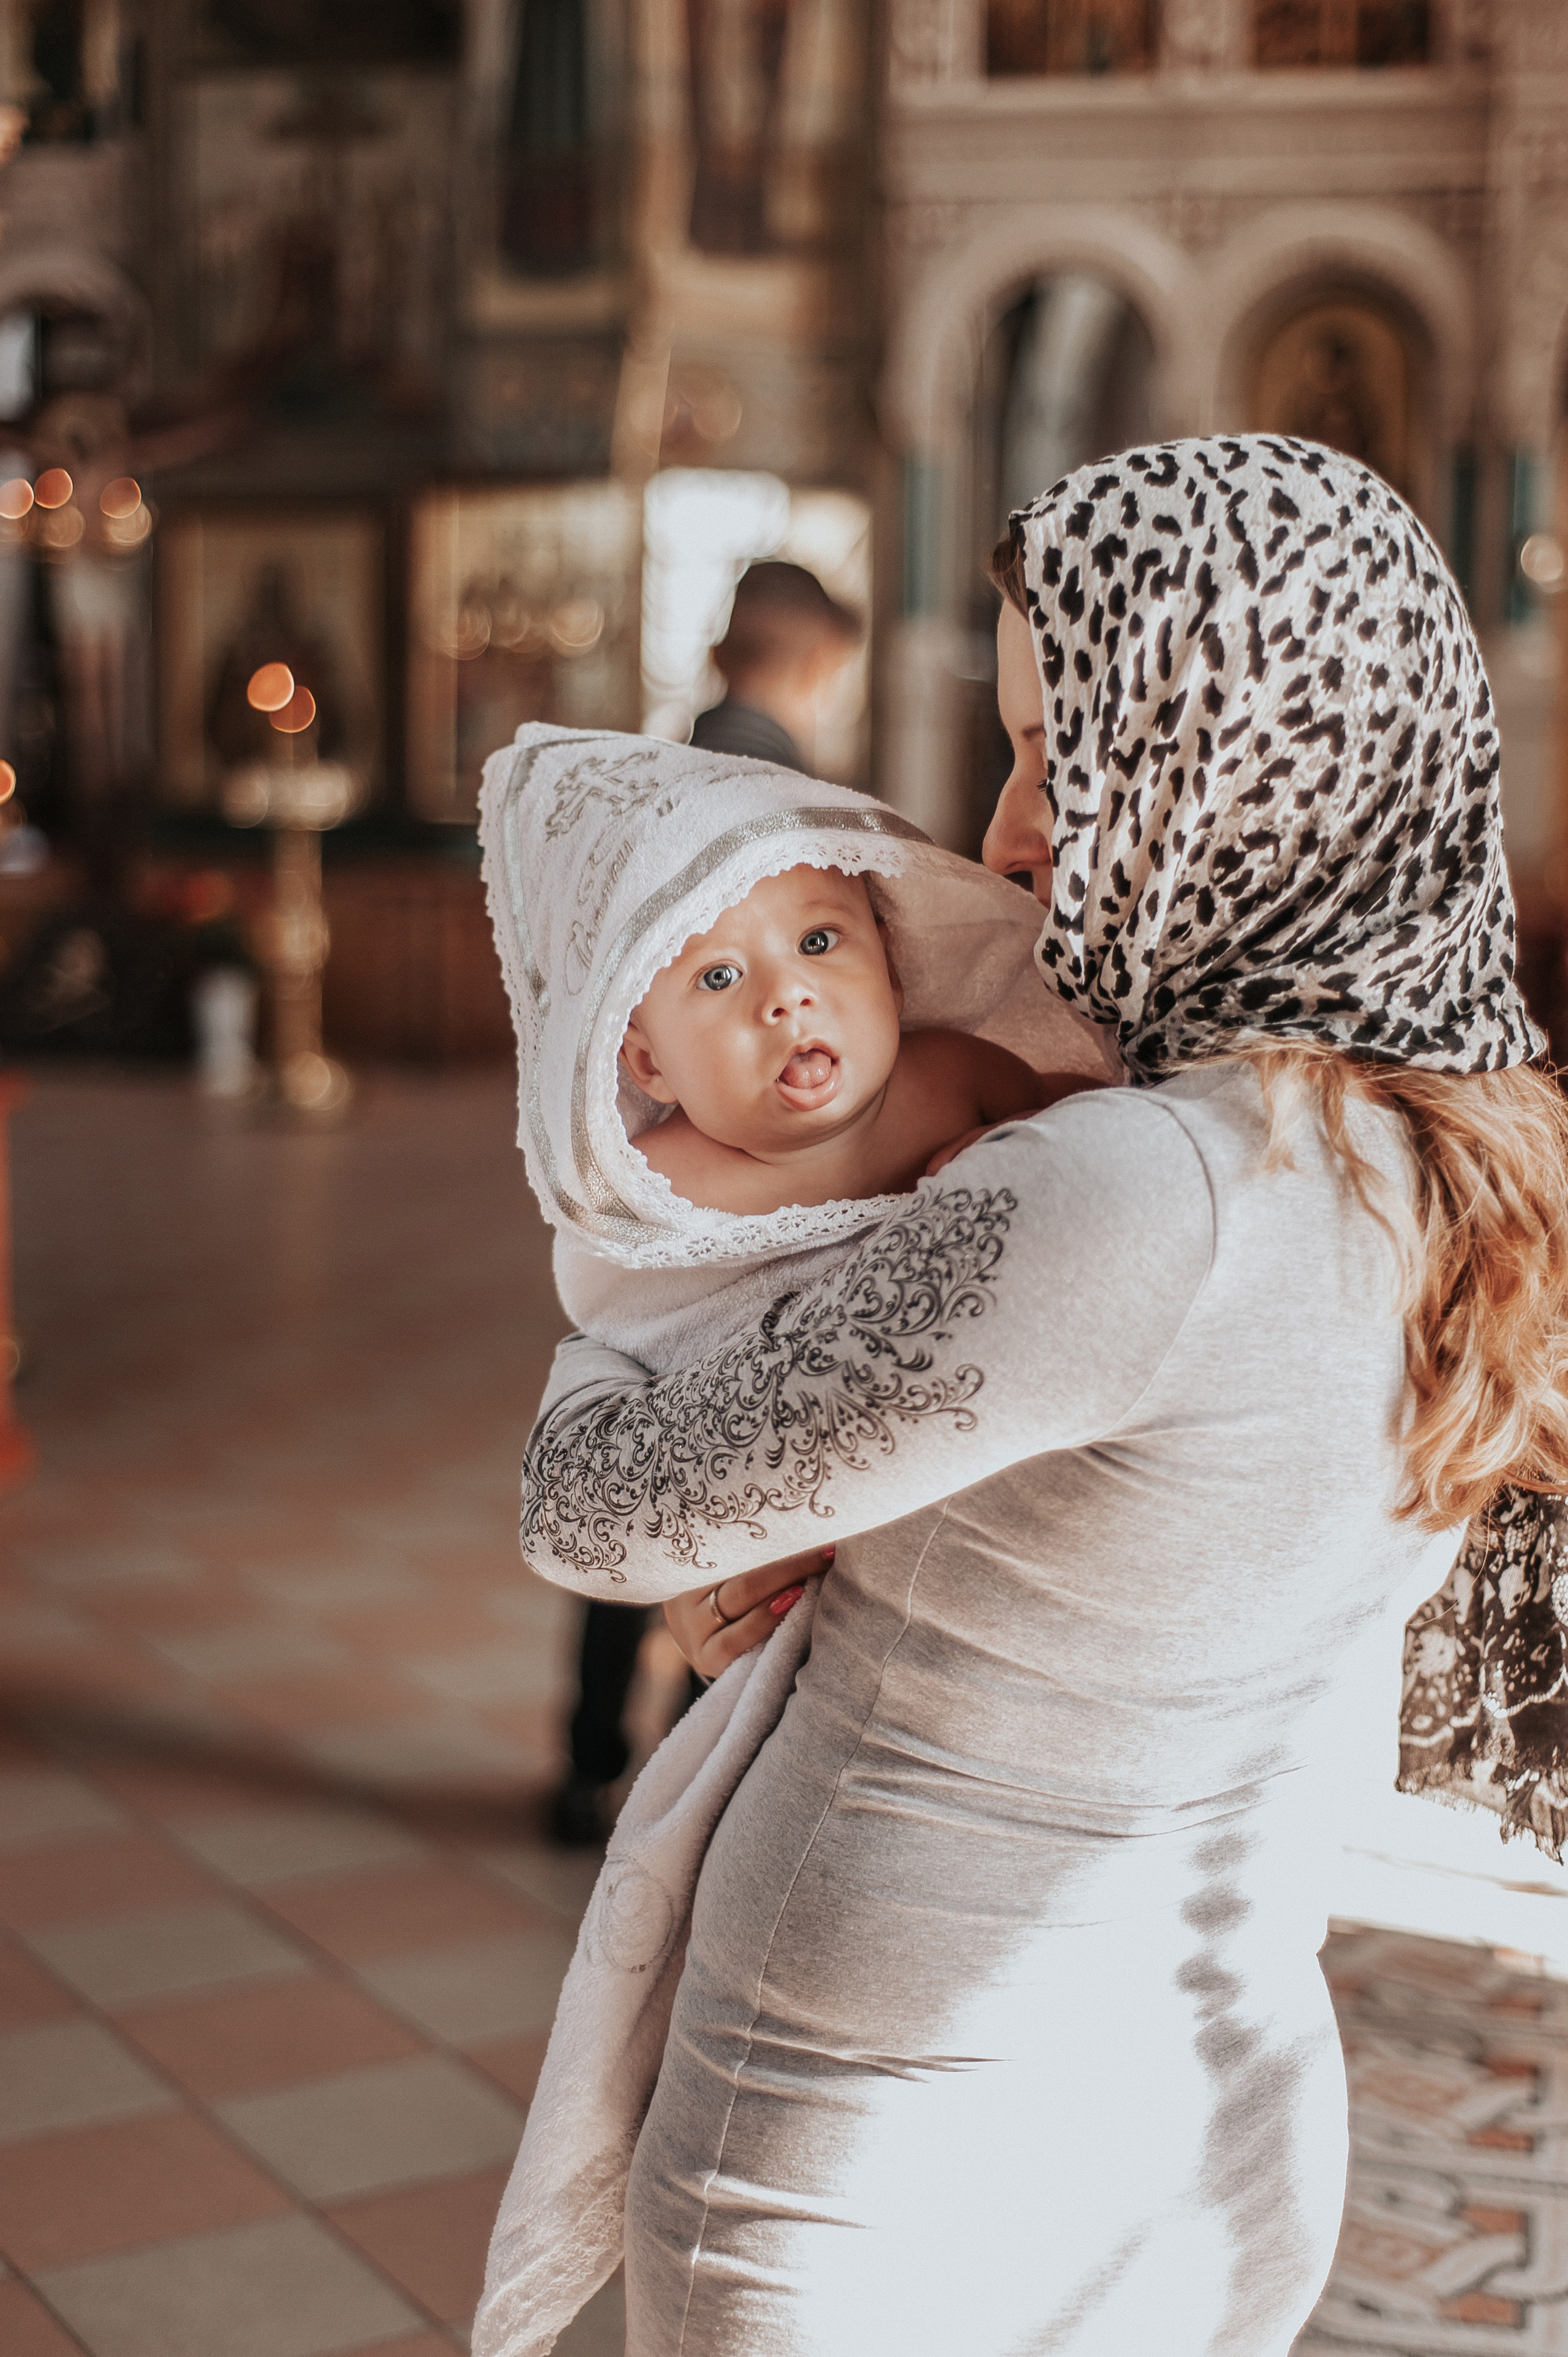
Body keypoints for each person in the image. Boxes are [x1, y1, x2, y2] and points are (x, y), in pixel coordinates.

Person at [494, 438, 1568, 2356]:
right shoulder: (1457, 1163)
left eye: (1064, 761)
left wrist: (693, 1449)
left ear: (1259, 766)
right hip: (1211, 2121)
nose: (998, 834)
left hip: (887, 2152)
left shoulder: (1138, 1189)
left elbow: (596, 1501)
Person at [688, 559, 861, 773]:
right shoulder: (793, 792)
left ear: (717, 656)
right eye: (836, 673)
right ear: (816, 666)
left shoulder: (673, 768)